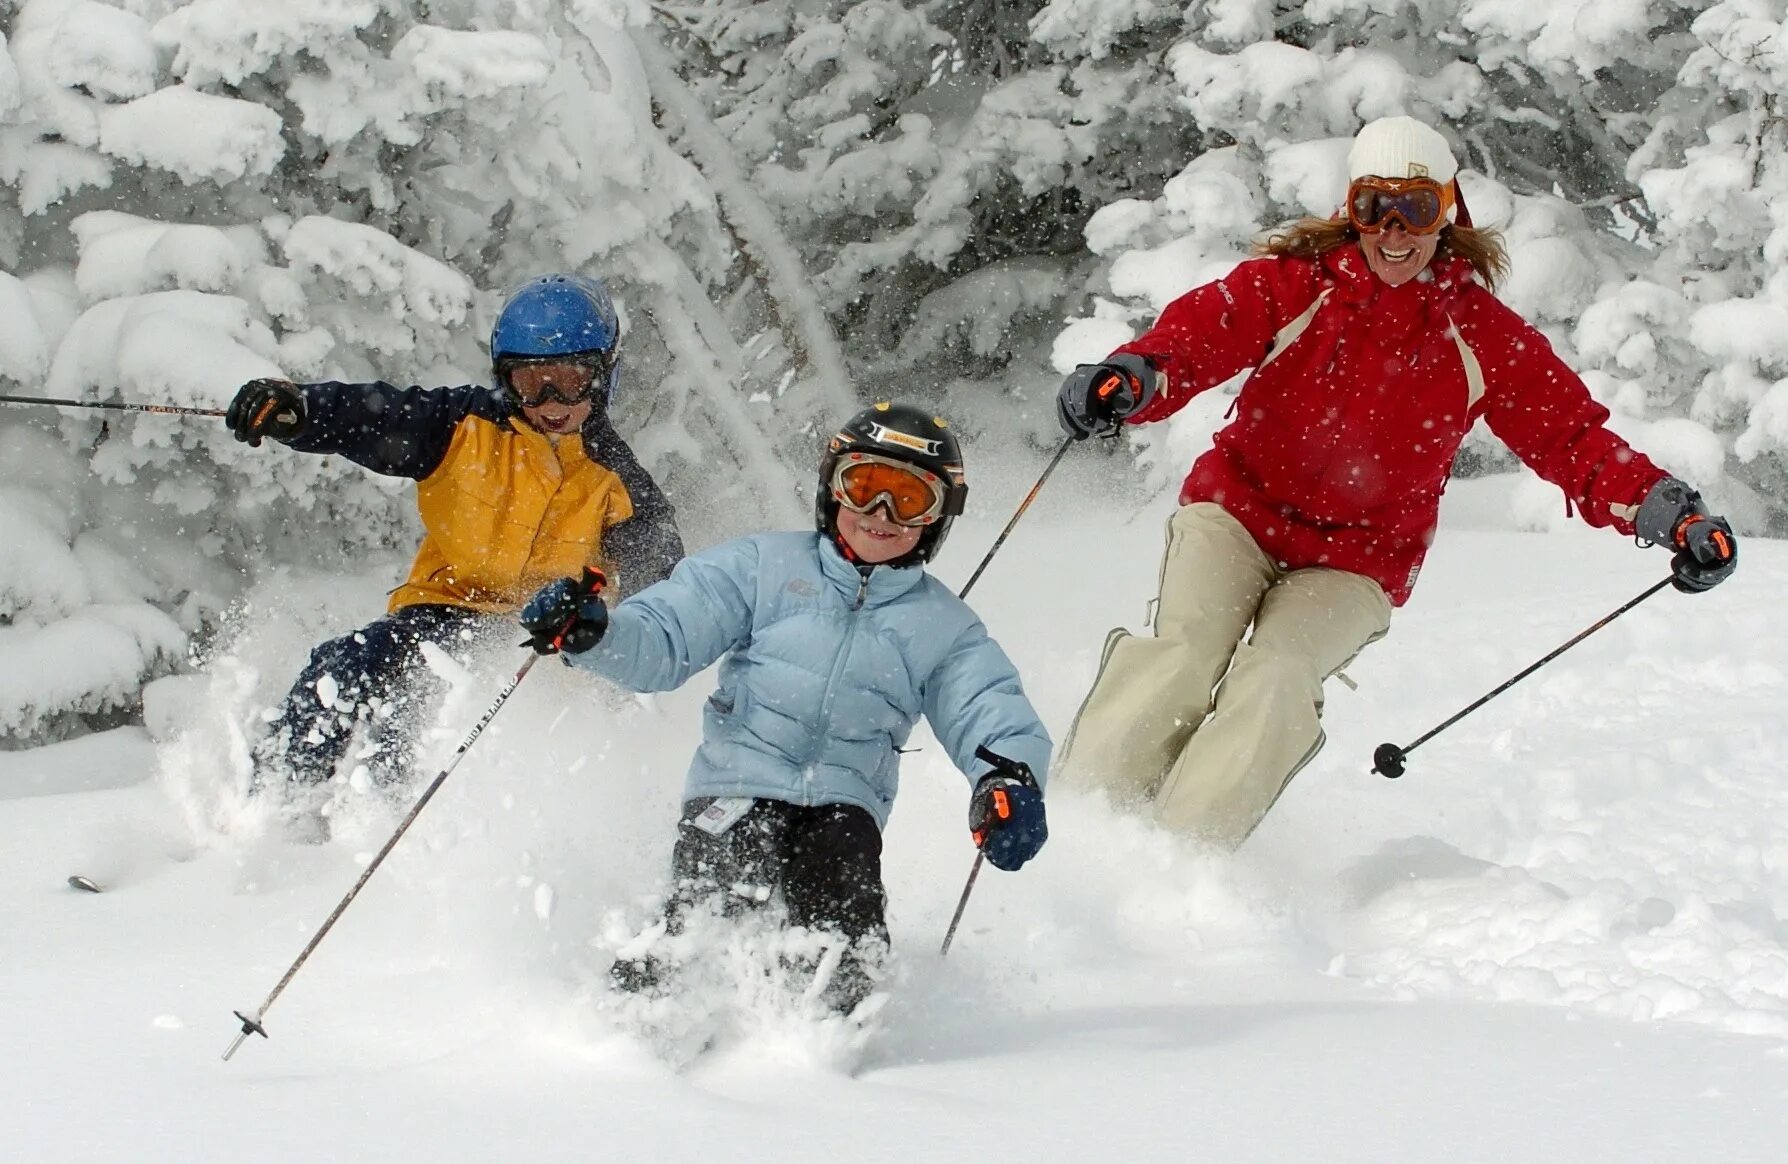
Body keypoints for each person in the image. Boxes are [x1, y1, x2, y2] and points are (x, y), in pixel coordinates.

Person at [1051, 115, 1738, 850]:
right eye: (1376, 207)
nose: (1396, 232)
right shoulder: (1294, 287)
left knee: (1277, 676)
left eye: (1418, 208)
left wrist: (1671, 513)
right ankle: (1077, 824)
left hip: (1357, 559)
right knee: (1187, 651)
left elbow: (1569, 437)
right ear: (1352, 211)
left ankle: (1174, 857)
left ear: (1448, 213)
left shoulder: (1480, 334)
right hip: (1238, 512)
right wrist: (1132, 375)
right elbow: (1198, 336)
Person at [519, 402, 1051, 1013]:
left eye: (909, 499)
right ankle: (645, 1019)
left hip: (844, 807)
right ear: (832, 491)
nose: (881, 515)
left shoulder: (943, 627)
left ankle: (825, 1041)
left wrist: (1008, 779)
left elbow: (988, 706)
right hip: (735, 785)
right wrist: (599, 635)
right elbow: (665, 638)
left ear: (937, 519)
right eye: (866, 487)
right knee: (714, 902)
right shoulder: (761, 567)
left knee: (843, 928)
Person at [229, 273, 683, 809]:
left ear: (605, 376)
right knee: (352, 665)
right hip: (445, 607)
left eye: (571, 379)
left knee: (428, 721)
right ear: (504, 380)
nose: (552, 401)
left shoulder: (617, 482)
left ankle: (391, 821)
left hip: (543, 639)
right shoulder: (461, 426)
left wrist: (593, 620)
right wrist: (301, 411)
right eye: (530, 383)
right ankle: (273, 802)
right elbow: (374, 416)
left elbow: (660, 579)